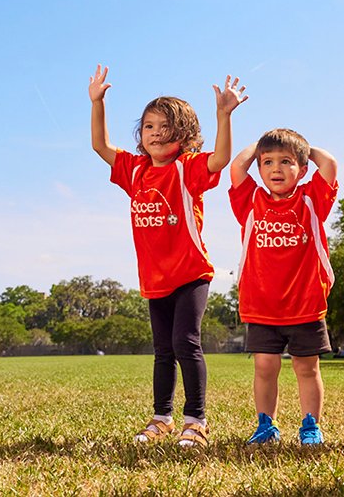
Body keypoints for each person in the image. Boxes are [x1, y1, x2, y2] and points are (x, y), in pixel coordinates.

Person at [89, 64, 246, 447]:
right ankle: (162, 418)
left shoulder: (186, 168)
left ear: (184, 136)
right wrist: (97, 103)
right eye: (149, 126)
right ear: (141, 135)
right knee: (162, 350)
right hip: (154, 278)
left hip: (191, 273)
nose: (156, 133)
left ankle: (197, 421)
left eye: (165, 127)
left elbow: (220, 159)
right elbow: (100, 145)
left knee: (185, 342)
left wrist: (223, 116)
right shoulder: (135, 170)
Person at [228, 129, 338, 446]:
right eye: (267, 162)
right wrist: (261, 145)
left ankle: (310, 426)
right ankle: (266, 425)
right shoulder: (251, 200)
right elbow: (237, 168)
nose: (276, 169)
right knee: (265, 366)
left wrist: (301, 148)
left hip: (306, 302)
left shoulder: (311, 199)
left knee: (307, 368)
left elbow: (329, 164)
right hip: (261, 303)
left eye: (286, 162)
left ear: (302, 170)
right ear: (259, 168)